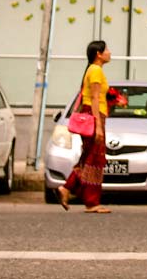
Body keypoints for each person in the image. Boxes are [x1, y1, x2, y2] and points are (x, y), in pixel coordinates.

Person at [58, 39, 113, 214]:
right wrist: (98, 126)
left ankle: (68, 188)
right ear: (99, 54)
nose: (110, 52)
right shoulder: (96, 70)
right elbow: (95, 99)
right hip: (94, 117)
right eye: (107, 50)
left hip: (95, 115)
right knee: (94, 160)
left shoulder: (93, 70)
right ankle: (90, 202)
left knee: (89, 158)